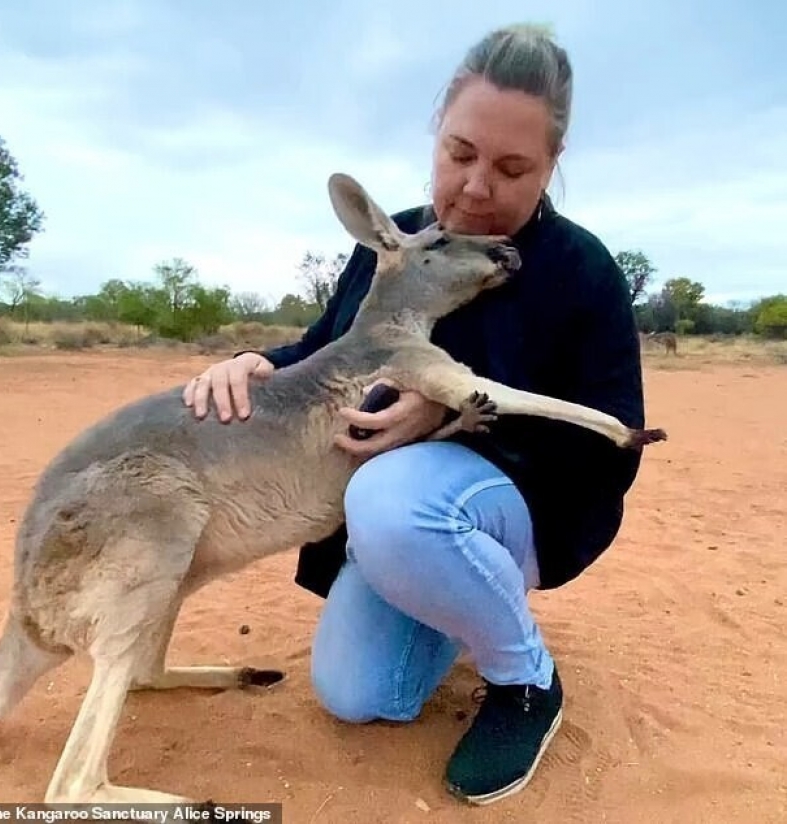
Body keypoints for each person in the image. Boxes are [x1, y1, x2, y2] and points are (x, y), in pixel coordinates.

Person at [182, 24, 647, 806]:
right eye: (459, 154)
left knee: (389, 498)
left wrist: (451, 413)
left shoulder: (582, 271)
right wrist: (254, 360)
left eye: (511, 169)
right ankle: (445, 583)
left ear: (552, 163)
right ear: (436, 133)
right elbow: (329, 347)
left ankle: (525, 678)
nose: (475, 188)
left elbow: (611, 444)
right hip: (395, 519)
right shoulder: (392, 243)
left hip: (515, 510)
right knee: (359, 694)